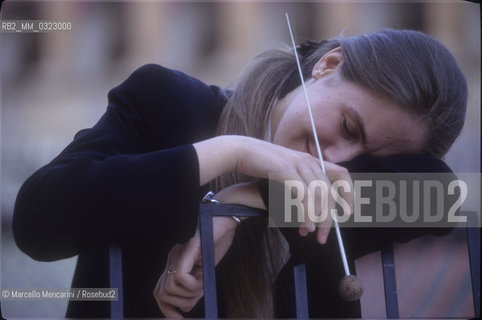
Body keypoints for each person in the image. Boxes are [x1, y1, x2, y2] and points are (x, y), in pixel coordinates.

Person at [12, 28, 467, 318]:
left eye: (367, 157)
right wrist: (232, 153)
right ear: (327, 65)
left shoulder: (341, 194)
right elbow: (38, 223)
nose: (339, 160)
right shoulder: (165, 103)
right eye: (348, 126)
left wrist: (240, 203)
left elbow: (443, 199)